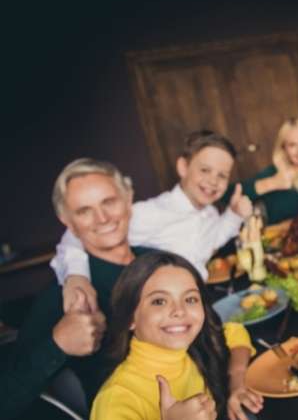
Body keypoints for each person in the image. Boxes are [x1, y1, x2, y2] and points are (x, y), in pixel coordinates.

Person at [0, 159, 255, 419]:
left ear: (128, 198)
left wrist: (237, 381)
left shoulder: (158, 259)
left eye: (109, 202)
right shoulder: (66, 296)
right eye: (84, 210)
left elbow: (218, 330)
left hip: (216, 397)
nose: (102, 218)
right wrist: (57, 345)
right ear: (67, 220)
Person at [51, 130, 253, 313]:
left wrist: (234, 214)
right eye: (205, 170)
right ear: (183, 167)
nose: (213, 181)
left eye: (222, 175)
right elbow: (78, 233)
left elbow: (214, 238)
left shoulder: (210, 213)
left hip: (199, 303)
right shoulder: (151, 212)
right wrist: (76, 276)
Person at [91, 251, 262, 420]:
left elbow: (234, 332)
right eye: (159, 301)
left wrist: (237, 380)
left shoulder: (194, 345)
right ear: (130, 318)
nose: (180, 311)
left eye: (190, 299)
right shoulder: (115, 401)